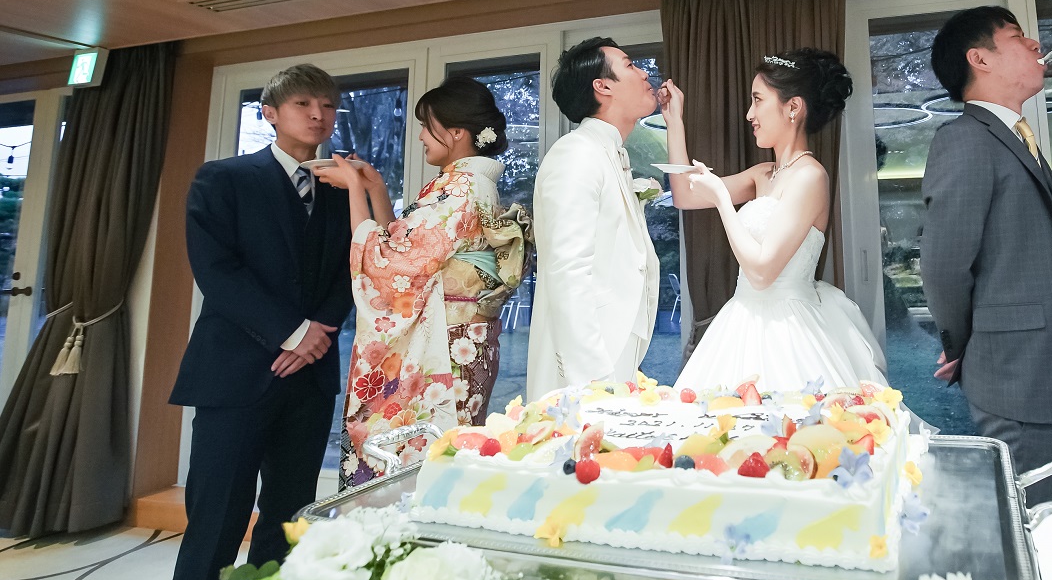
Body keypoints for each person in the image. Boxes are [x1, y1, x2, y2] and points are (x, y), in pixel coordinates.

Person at [167, 65, 352, 580]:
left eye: (328, 105)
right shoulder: (222, 178)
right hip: (235, 374)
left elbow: (357, 264)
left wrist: (317, 336)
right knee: (216, 517)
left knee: (291, 518)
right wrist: (293, 333)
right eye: (303, 104)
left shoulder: (341, 188)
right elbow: (216, 270)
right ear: (270, 114)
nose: (318, 115)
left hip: (310, 378)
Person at [921, 7, 1052, 483]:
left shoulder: (1017, 137)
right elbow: (944, 265)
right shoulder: (965, 139)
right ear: (980, 59)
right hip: (1019, 375)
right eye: (1016, 36)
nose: (1033, 44)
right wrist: (963, 345)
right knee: (1037, 511)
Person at [316, 76, 530, 488]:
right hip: (462, 338)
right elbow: (405, 249)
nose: (420, 137)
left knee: (421, 464)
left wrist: (354, 190)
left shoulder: (461, 187)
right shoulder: (466, 183)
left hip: (447, 345)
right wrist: (376, 188)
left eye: (426, 126)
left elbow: (389, 261)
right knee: (439, 458)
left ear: (456, 131)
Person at [668, 48, 886, 393]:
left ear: (793, 107)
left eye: (758, 100)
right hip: (740, 320)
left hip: (788, 330)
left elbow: (762, 272)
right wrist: (674, 122)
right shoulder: (763, 173)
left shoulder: (810, 176)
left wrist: (722, 199)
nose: (749, 114)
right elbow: (684, 194)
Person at [526, 38, 661, 400]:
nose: (644, 73)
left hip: (617, 346)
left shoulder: (609, 152)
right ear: (602, 86)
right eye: (630, 65)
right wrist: (594, 380)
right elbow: (567, 269)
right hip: (588, 364)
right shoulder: (575, 153)